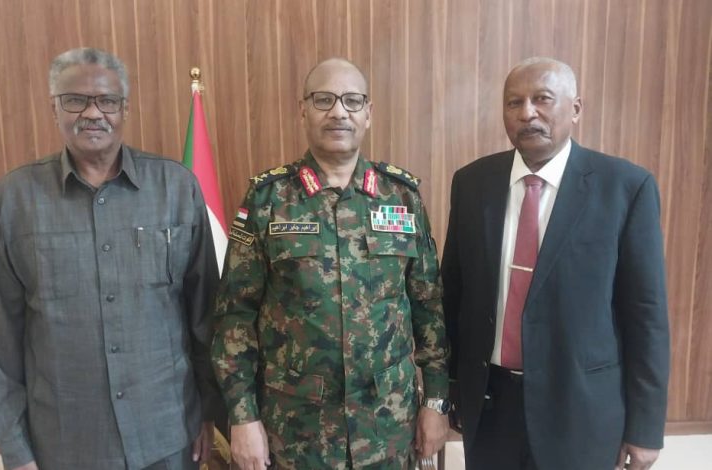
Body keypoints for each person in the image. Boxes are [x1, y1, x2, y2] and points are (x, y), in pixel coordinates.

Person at [0, 47, 220, 470]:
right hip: (67, 444)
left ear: (124, 109)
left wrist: (209, 411)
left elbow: (204, 315)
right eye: (76, 100)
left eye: (107, 100)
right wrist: (15, 450)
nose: (93, 113)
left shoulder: (176, 188)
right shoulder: (13, 201)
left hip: (167, 435)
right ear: (54, 108)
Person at [211, 58, 450, 469]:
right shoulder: (269, 198)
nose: (339, 112)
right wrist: (242, 416)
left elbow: (428, 307)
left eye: (352, 101)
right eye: (324, 100)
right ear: (303, 110)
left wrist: (436, 400)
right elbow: (235, 315)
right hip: (296, 431)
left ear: (368, 113)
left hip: (387, 427)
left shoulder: (401, 197)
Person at [441, 56, 670, 470]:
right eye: (514, 102)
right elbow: (454, 293)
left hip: (581, 408)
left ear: (575, 109)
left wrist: (646, 426)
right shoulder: (472, 183)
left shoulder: (625, 188)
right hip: (491, 405)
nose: (527, 113)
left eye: (542, 99)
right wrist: (451, 386)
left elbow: (646, 314)